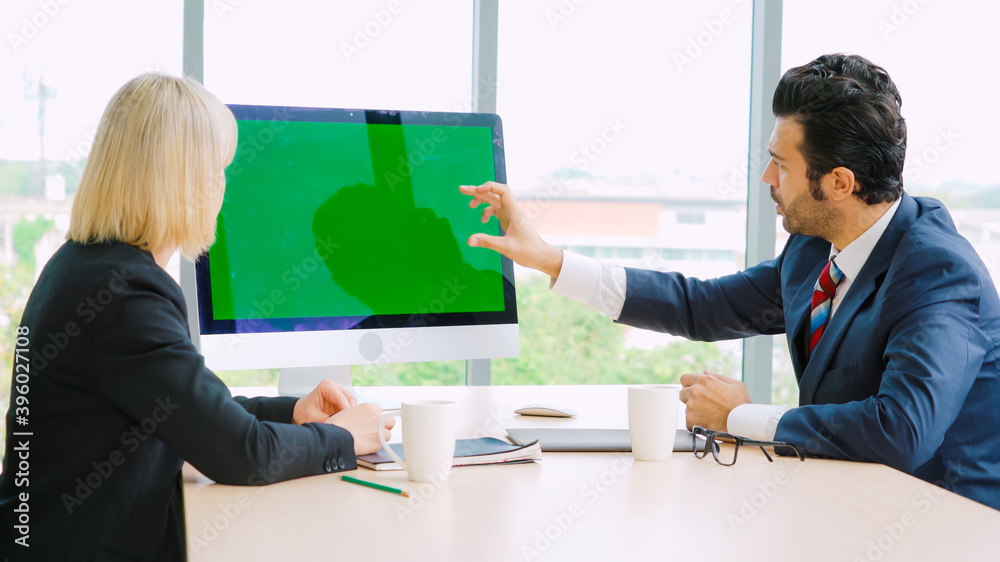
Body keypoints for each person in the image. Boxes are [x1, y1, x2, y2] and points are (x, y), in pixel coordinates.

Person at [460, 53, 1000, 511]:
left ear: (838, 182)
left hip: (942, 525)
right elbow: (704, 306)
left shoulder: (936, 270)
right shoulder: (816, 247)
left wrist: (740, 416)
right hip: (847, 499)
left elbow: (901, 431)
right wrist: (552, 261)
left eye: (780, 165)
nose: (767, 178)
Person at [0, 73, 394, 561]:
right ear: (184, 181)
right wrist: (344, 438)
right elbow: (240, 454)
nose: (223, 185)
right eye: (218, 169)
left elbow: (194, 411)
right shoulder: (127, 296)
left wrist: (292, 412)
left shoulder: (85, 268)